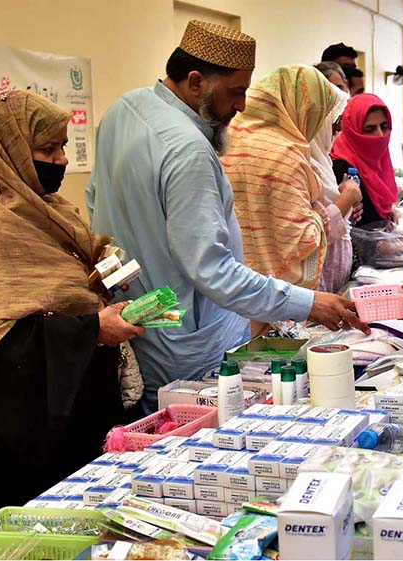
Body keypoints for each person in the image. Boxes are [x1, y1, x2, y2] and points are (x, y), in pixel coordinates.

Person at [86, 21, 367, 413]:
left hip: (142, 324)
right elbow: (213, 269)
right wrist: (307, 303)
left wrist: (129, 285)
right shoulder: (187, 149)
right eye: (235, 93)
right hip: (188, 346)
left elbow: (95, 205)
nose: (241, 106)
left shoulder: (122, 111)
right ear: (197, 82)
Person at [0, 91, 144, 538]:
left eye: (62, 147)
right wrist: (94, 328)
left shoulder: (41, 206)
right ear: (11, 148)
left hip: (74, 407)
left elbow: (62, 273)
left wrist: (101, 267)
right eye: (47, 150)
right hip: (15, 426)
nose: (59, 160)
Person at [222, 66, 361, 294]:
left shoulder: (232, 140)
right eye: (326, 117)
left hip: (238, 287)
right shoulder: (285, 154)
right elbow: (301, 241)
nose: (334, 129)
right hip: (274, 296)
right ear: (308, 111)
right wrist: (344, 201)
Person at [331, 93, 400, 227]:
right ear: (353, 130)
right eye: (370, 129)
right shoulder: (342, 169)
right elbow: (350, 233)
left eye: (384, 127)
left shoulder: (379, 161)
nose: (380, 135)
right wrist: (386, 246)